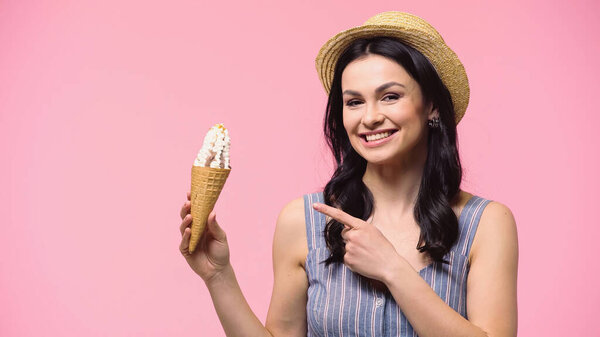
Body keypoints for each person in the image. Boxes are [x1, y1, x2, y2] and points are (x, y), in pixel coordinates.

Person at [178, 11, 518, 337]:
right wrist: (218, 275)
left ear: (431, 106)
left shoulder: (485, 224)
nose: (369, 118)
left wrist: (393, 269)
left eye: (390, 96)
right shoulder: (303, 221)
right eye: (354, 102)